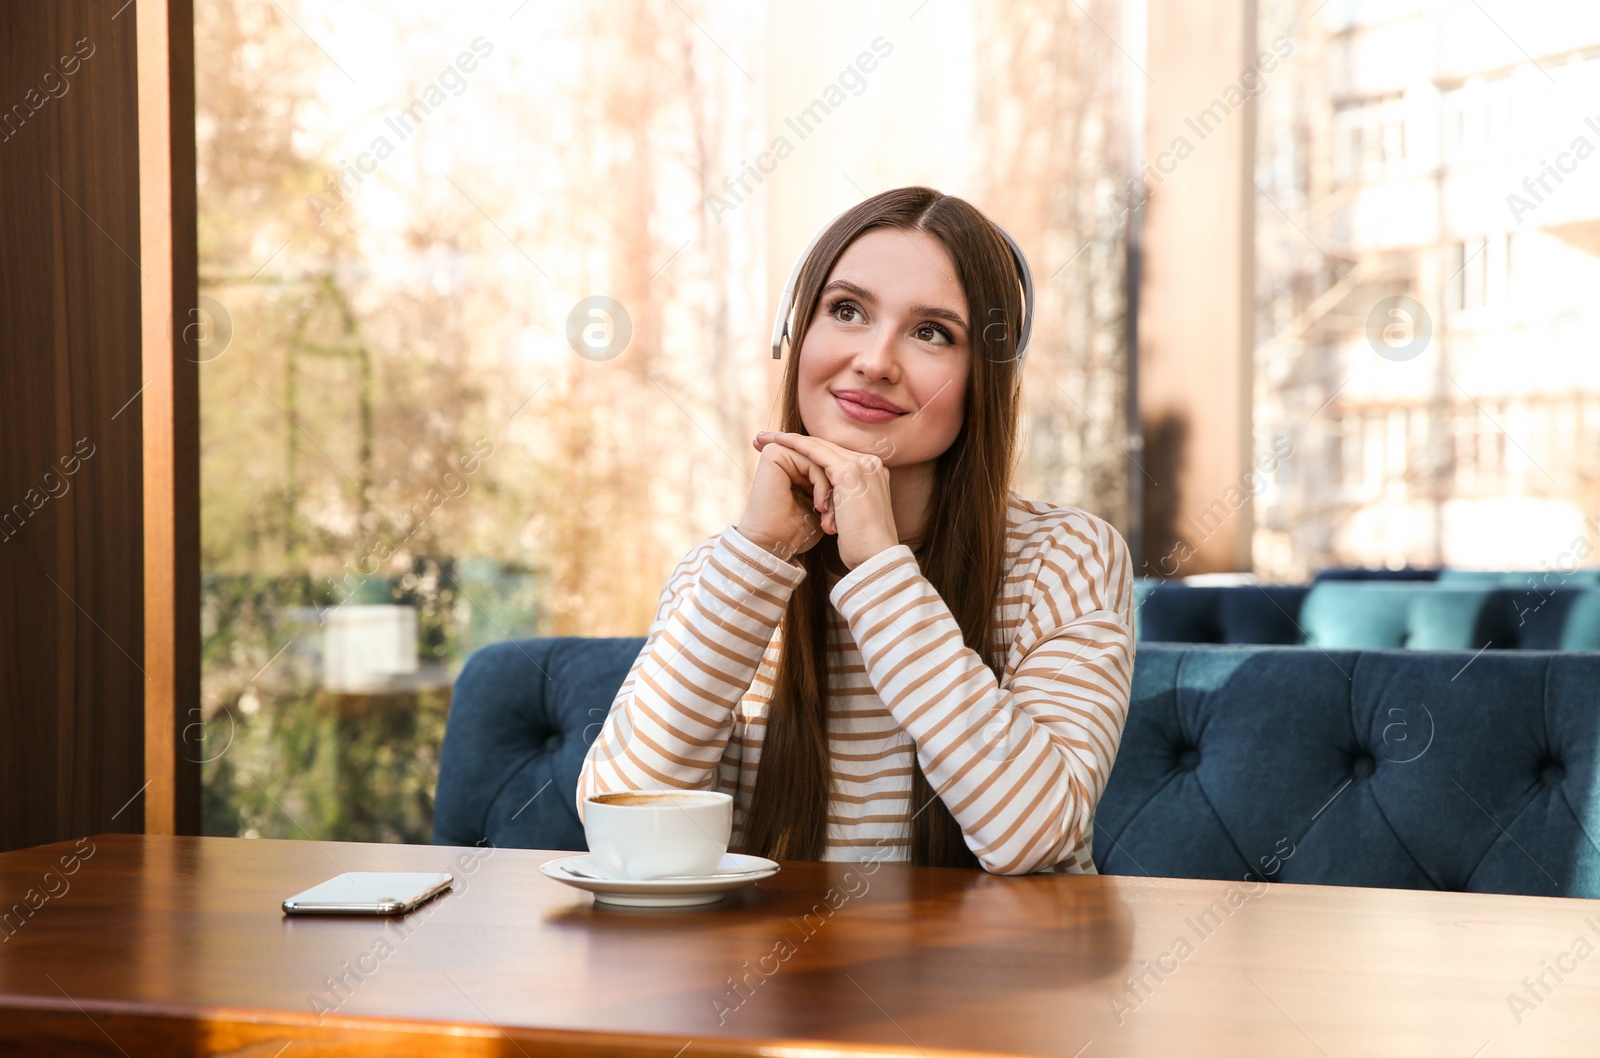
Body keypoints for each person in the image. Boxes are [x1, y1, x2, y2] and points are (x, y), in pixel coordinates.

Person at [577, 185, 1134, 875]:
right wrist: (758, 558)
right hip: (778, 979)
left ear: (984, 377)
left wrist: (880, 568)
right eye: (846, 311)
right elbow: (620, 828)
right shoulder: (727, 572)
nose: (875, 360)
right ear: (796, 335)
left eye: (932, 332)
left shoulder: (1067, 558)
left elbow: (1034, 837)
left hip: (994, 978)